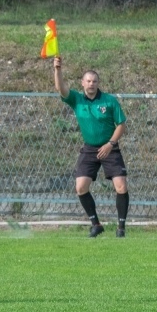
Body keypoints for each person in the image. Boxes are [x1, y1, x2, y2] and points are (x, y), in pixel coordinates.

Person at [53, 56, 130, 238]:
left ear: (98, 83)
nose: (91, 84)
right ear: (82, 83)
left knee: (121, 186)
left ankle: (121, 229)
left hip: (109, 148)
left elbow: (121, 124)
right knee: (81, 187)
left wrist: (110, 144)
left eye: (94, 81)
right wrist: (57, 69)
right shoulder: (77, 100)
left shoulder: (109, 101)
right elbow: (61, 89)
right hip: (89, 148)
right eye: (88, 81)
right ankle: (96, 224)